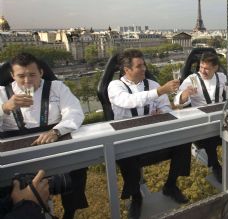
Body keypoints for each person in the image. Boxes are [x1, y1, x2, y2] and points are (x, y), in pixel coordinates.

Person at [0, 53, 88, 219]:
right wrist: (4, 108)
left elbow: (74, 112)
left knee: (78, 166)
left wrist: (57, 131)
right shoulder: (2, 93)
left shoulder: (57, 87)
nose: (27, 81)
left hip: (52, 143)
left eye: (32, 75)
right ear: (12, 76)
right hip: (16, 154)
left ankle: (70, 211)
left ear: (41, 72)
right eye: (21, 76)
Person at [107, 49, 191, 219]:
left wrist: (162, 111)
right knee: (126, 155)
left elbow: (166, 107)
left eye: (144, 64)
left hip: (153, 136)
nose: (144, 68)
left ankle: (171, 185)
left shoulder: (152, 84)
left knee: (183, 141)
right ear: (127, 70)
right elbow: (128, 101)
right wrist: (160, 91)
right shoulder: (115, 86)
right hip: (129, 138)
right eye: (139, 66)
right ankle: (136, 196)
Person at [173, 51, 228, 183]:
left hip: (221, 118)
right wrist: (185, 95)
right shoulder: (192, 79)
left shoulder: (221, 77)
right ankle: (215, 166)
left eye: (207, 69)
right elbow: (177, 102)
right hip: (203, 122)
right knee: (209, 136)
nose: (203, 71)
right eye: (201, 67)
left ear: (215, 68)